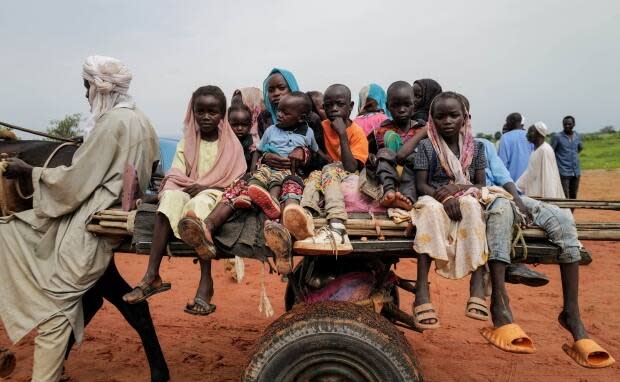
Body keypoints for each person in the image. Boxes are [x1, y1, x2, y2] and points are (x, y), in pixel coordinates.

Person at [0, 55, 160, 382]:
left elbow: (74, 182)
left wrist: (28, 171)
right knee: (9, 231)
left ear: (100, 89)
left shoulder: (112, 123)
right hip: (113, 212)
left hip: (92, 223)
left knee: (54, 305)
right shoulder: (141, 120)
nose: (85, 94)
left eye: (87, 87)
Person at [474, 141, 614, 368]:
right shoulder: (440, 145)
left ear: (466, 118)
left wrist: (519, 201)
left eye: (462, 116)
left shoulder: (483, 145)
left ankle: (572, 314)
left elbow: (503, 175)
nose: (457, 122)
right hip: (482, 201)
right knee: (500, 214)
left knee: (563, 219)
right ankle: (500, 305)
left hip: (505, 195)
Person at [123, 85, 247, 318]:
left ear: (222, 114)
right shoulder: (187, 141)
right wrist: (185, 185)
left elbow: (236, 182)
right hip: (187, 186)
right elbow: (176, 172)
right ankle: (152, 275)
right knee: (169, 198)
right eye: (200, 111)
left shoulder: (231, 144)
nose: (206, 117)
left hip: (215, 194)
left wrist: (206, 186)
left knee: (197, 207)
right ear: (193, 112)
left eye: (213, 112)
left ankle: (205, 281)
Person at [408, 91, 488, 329]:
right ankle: (422, 290)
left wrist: (456, 189)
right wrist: (443, 196)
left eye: (454, 116)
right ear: (432, 119)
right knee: (429, 212)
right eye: (441, 117)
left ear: (465, 118)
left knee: (473, 205)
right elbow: (421, 184)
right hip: (434, 197)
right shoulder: (426, 146)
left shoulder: (477, 148)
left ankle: (477, 284)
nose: (448, 121)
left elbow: (481, 185)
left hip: (465, 195)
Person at [286, 84, 369, 254]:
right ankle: (306, 215)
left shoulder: (356, 132)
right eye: (329, 105)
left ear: (351, 106)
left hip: (348, 173)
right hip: (326, 172)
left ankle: (337, 226)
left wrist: (342, 135)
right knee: (315, 175)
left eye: (340, 104)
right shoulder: (321, 126)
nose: (334, 109)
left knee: (329, 170)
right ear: (323, 107)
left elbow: (351, 166)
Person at [246, 92, 320, 219]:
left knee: (279, 179)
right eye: (278, 110)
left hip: (287, 170)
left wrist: (304, 152)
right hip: (268, 166)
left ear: (301, 118)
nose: (279, 115)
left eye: (285, 113)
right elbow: (259, 150)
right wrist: (253, 170)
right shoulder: (271, 130)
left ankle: (272, 201)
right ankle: (250, 196)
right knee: (259, 176)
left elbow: (315, 152)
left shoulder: (308, 132)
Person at [366, 81, 427, 209]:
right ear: (388, 106)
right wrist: (371, 156)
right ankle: (390, 192)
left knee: (417, 158)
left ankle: (407, 200)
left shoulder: (422, 129)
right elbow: (366, 151)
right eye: (396, 105)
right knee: (384, 153)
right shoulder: (379, 131)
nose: (402, 109)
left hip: (414, 174)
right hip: (388, 174)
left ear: (414, 105)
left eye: (407, 104)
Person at [516, 122, 565, 198]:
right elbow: (531, 172)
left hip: (544, 190)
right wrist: (517, 185)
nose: (527, 135)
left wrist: (517, 185)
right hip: (536, 187)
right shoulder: (536, 150)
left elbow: (545, 175)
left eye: (530, 132)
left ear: (539, 134)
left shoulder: (544, 150)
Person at [551, 115, 583, 199]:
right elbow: (551, 152)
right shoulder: (557, 137)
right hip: (563, 172)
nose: (567, 126)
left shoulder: (577, 136)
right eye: (565, 124)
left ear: (574, 124)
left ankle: (571, 212)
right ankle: (565, 212)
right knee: (564, 196)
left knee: (573, 195)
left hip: (576, 171)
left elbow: (579, 148)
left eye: (569, 124)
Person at [498, 112, 533, 181]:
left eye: (507, 122)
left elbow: (502, 164)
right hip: (531, 180)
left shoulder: (505, 138)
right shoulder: (530, 136)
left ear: (511, 122)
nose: (506, 124)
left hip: (512, 182)